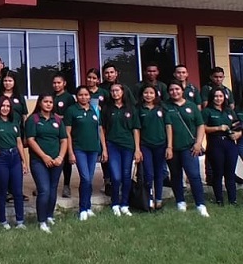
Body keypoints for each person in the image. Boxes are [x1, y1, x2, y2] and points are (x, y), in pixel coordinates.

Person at [25, 94, 67, 233]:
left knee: (53, 188)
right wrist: (44, 157)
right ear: (40, 103)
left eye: (50, 102)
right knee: (44, 189)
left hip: (57, 161)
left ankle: (49, 216)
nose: (48, 104)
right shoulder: (33, 119)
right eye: (45, 101)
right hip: (39, 161)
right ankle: (41, 221)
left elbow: (64, 140)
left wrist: (61, 156)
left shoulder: (57, 120)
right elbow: (30, 140)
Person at [166, 83, 209, 217]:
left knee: (194, 175)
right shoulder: (165, 106)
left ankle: (200, 204)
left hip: (189, 147)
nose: (174, 92)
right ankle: (180, 202)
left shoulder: (191, 106)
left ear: (182, 90)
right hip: (172, 148)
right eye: (171, 89)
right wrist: (168, 147)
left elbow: (200, 125)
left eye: (177, 89)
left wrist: (198, 143)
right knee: (175, 175)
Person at [65, 86, 106, 220]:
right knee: (85, 178)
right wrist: (70, 152)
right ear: (76, 97)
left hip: (93, 149)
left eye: (86, 95)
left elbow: (99, 130)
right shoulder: (71, 110)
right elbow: (68, 133)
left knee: (89, 179)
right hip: (79, 149)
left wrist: (104, 148)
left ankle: (88, 207)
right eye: (81, 95)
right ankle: (82, 209)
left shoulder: (94, 110)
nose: (84, 97)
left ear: (90, 96)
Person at [101, 82, 141, 216]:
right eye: (112, 91)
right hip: (112, 145)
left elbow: (136, 129)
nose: (115, 93)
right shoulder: (107, 108)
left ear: (123, 92)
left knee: (126, 175)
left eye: (117, 90)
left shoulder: (131, 108)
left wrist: (137, 149)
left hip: (128, 145)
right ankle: (115, 203)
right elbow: (102, 129)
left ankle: (125, 204)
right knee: (116, 177)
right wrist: (104, 149)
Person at [0, 96, 27, 229]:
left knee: (17, 191)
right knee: (2, 191)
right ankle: (3, 221)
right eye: (3, 106)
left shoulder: (14, 122)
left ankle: (20, 221)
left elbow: (19, 142)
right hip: (0, 158)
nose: (5, 108)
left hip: (14, 157)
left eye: (8, 106)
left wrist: (24, 161)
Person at [202, 89, 241, 206]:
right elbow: (202, 127)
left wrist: (238, 133)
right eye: (216, 96)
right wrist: (218, 128)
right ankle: (219, 199)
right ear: (212, 98)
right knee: (218, 173)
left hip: (230, 144)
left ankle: (233, 200)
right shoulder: (207, 111)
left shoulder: (229, 111)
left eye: (221, 96)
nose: (218, 99)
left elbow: (237, 125)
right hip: (215, 143)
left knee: (230, 173)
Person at [136, 85, 172, 211]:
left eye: (151, 93)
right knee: (148, 174)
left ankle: (159, 199)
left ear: (156, 95)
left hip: (161, 145)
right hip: (145, 145)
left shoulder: (162, 108)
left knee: (159, 173)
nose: (148, 95)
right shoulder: (139, 109)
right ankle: (149, 199)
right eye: (146, 92)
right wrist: (137, 149)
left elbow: (168, 127)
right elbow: (137, 129)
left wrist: (169, 146)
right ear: (142, 94)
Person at [51, 73, 77, 198]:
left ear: (64, 83)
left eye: (59, 83)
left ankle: (66, 186)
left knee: (65, 160)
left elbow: (71, 115)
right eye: (54, 83)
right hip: (50, 133)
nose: (56, 85)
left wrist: (59, 117)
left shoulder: (68, 98)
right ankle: (48, 185)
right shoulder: (50, 96)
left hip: (64, 133)